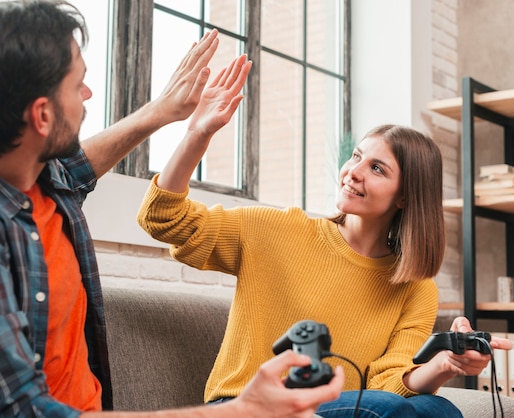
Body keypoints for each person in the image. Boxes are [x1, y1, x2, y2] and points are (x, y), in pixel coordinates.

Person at [0, 1, 346, 417]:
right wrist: (240, 412)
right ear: (42, 116)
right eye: (77, 84)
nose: (88, 95)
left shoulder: (30, 175)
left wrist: (161, 112)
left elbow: (77, 168)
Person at [136, 81, 514, 415]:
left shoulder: (415, 288)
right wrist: (197, 135)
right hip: (250, 407)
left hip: (344, 410)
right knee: (392, 408)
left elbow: (389, 382)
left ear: (405, 198)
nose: (354, 171)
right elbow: (164, 217)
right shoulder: (279, 229)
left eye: (377, 169)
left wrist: (445, 363)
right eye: (356, 157)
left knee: (437, 407)